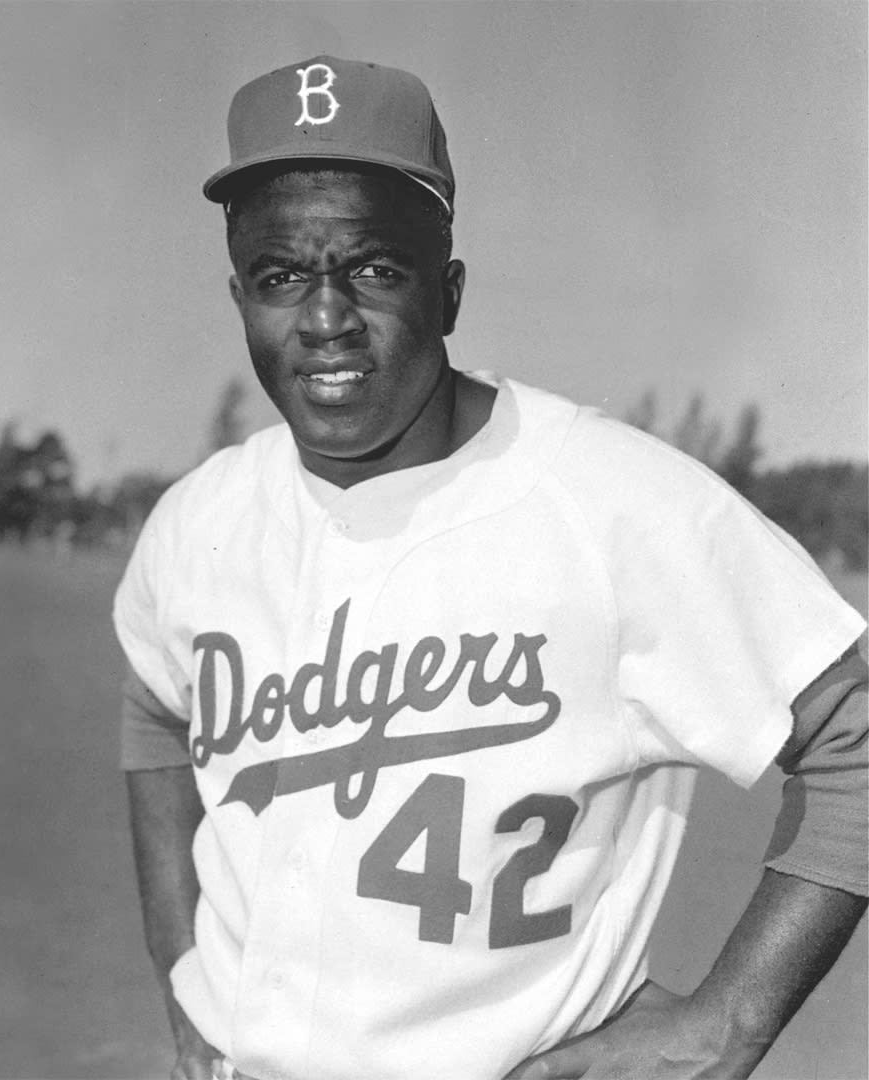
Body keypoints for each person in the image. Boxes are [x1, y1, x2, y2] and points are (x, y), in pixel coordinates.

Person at [115, 57, 867, 1080]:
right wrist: (181, 968)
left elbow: (856, 742)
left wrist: (729, 1023)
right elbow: (156, 709)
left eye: (375, 269)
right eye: (282, 276)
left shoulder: (613, 503)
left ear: (450, 291)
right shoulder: (198, 520)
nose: (326, 319)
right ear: (241, 294)